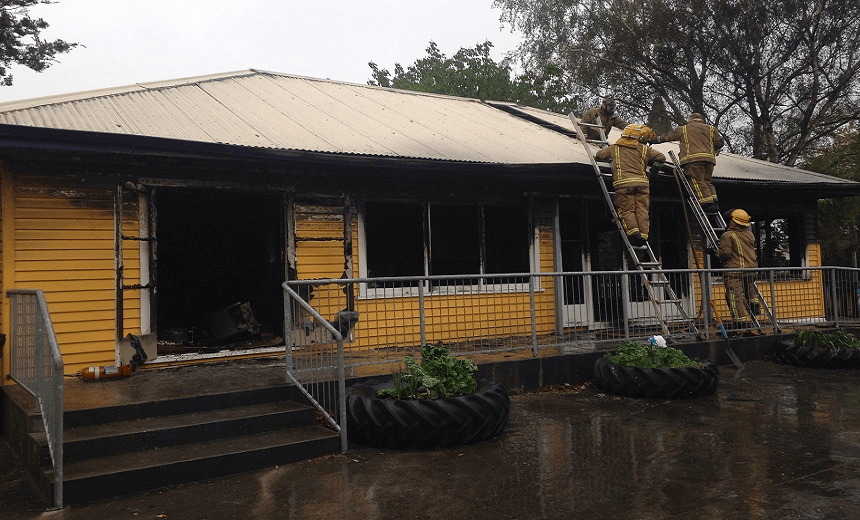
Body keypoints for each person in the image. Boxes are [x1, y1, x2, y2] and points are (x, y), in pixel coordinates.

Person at [595, 124, 665, 247]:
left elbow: (600, 155)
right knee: (642, 210)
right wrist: (654, 170)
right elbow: (661, 157)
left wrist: (600, 156)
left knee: (627, 210)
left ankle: (634, 234)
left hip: (624, 184)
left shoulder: (615, 148)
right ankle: (643, 236)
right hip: (642, 184)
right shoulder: (644, 149)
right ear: (638, 136)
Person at [648, 113, 725, 216]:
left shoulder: (683, 129)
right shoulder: (711, 129)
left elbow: (668, 136)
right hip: (709, 160)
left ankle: (707, 204)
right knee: (706, 181)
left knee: (696, 180)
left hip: (692, 159)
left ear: (690, 120)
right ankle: (714, 201)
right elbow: (719, 142)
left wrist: (654, 140)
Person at [716, 208, 760, 328]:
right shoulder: (750, 235)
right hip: (751, 270)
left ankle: (740, 322)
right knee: (749, 290)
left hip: (735, 272)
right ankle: (754, 305)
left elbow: (725, 254)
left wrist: (715, 252)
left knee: (735, 297)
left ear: (734, 222)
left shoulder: (728, 236)